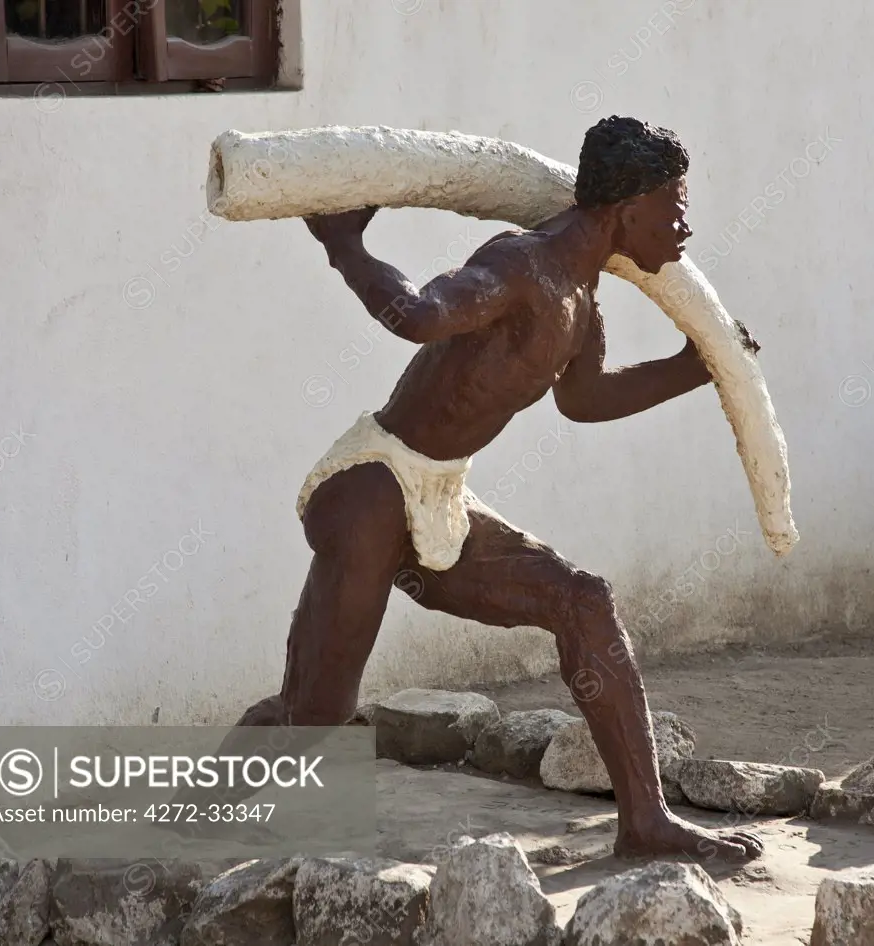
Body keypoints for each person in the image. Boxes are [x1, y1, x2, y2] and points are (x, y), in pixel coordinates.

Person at [236, 115, 763, 861]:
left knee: (583, 602)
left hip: (441, 495)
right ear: (626, 209)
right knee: (317, 713)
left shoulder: (583, 305)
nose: (684, 226)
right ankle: (201, 806)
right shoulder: (522, 266)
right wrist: (344, 246)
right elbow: (420, 316)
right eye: (675, 204)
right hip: (373, 487)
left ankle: (645, 823)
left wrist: (692, 367)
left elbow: (583, 402)